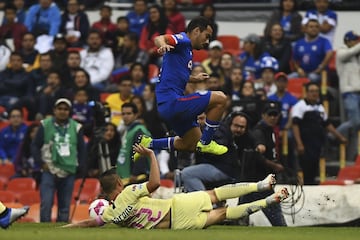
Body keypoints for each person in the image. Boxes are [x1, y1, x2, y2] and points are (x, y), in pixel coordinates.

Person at [62, 144, 289, 229]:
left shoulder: (113, 216)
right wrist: (151, 155)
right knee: (214, 195)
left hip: (176, 226)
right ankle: (261, 185)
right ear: (119, 183)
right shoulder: (129, 192)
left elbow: (91, 223)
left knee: (222, 214)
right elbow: (155, 183)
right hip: (177, 206)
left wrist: (66, 228)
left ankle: (268, 200)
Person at [133, 16, 228, 161]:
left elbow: (175, 75)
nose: (207, 42)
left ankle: (149, 143)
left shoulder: (187, 51)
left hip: (168, 105)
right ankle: (207, 142)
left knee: (190, 144)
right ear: (196, 31)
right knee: (220, 98)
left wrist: (194, 79)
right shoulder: (183, 40)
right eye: (206, 36)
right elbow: (160, 38)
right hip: (173, 102)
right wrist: (162, 45)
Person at [31, 98, 86, 222]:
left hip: (69, 170)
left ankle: (62, 232)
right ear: (54, 110)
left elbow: (82, 150)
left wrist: (80, 167)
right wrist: (40, 163)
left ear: (69, 111)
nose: (62, 111)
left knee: (65, 207)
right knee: (46, 203)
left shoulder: (77, 127)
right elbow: (35, 145)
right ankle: (43, 232)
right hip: (49, 169)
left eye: (65, 109)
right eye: (60, 109)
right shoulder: (45, 125)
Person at [239, 101, 287, 226]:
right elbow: (257, 154)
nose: (273, 117)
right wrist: (274, 165)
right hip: (259, 181)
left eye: (275, 114)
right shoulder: (259, 131)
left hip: (251, 182)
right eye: (270, 114)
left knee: (240, 217)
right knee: (278, 221)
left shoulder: (271, 130)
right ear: (263, 115)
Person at [182, 111, 254, 192]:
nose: (199, 122)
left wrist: (200, 148)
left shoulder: (218, 130)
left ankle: (204, 201)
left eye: (202, 119)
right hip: (219, 166)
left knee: (187, 174)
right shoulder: (219, 131)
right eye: (196, 120)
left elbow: (218, 148)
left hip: (222, 167)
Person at [291, 82, 347, 185]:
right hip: (305, 143)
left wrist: (340, 137)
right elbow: (295, 125)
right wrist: (299, 143)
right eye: (312, 91)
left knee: (314, 168)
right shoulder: (300, 106)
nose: (314, 93)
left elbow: (327, 124)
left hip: (317, 143)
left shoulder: (320, 107)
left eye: (316, 91)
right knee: (305, 168)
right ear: (306, 93)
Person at [335, 31, 360, 163]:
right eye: (355, 40)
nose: (357, 42)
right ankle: (333, 134)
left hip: (358, 92)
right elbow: (347, 54)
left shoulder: (357, 55)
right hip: (349, 92)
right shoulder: (341, 51)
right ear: (348, 41)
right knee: (355, 122)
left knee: (357, 127)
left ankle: (353, 155)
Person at [289, 16, 333, 83]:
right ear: (306, 29)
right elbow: (294, 60)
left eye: (316, 27)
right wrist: (298, 69)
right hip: (302, 73)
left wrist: (320, 68)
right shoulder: (299, 43)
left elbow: (329, 53)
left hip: (318, 74)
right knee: (288, 78)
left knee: (311, 78)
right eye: (311, 27)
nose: (314, 29)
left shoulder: (324, 41)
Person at [116, 102, 151, 185]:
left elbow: (141, 152)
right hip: (126, 175)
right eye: (123, 114)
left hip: (135, 178)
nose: (125, 116)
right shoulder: (129, 130)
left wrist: (136, 173)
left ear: (136, 115)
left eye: (129, 114)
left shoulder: (139, 130)